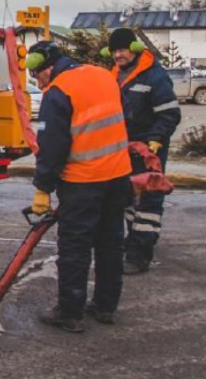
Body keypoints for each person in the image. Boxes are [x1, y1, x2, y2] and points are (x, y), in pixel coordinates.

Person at [26, 41, 133, 332]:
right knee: (111, 244)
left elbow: (52, 145)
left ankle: (70, 313)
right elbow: (126, 118)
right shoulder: (103, 74)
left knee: (75, 247)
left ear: (46, 67)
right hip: (118, 176)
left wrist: (43, 187)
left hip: (83, 181)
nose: (38, 82)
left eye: (37, 75)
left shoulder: (58, 91)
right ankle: (105, 307)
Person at [105, 27, 181, 274]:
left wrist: (156, 140)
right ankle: (133, 242)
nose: (118, 55)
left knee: (148, 201)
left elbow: (170, 113)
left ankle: (140, 255)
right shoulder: (115, 75)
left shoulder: (154, 76)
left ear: (135, 49)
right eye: (115, 50)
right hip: (124, 150)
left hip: (149, 149)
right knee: (127, 198)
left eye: (123, 49)